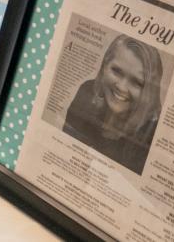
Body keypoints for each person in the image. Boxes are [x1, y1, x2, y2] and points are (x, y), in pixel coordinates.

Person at [62, 34, 163, 174]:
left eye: (137, 82)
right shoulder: (87, 92)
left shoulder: (152, 133)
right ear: (104, 66)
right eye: (116, 71)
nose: (121, 87)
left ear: (149, 90)